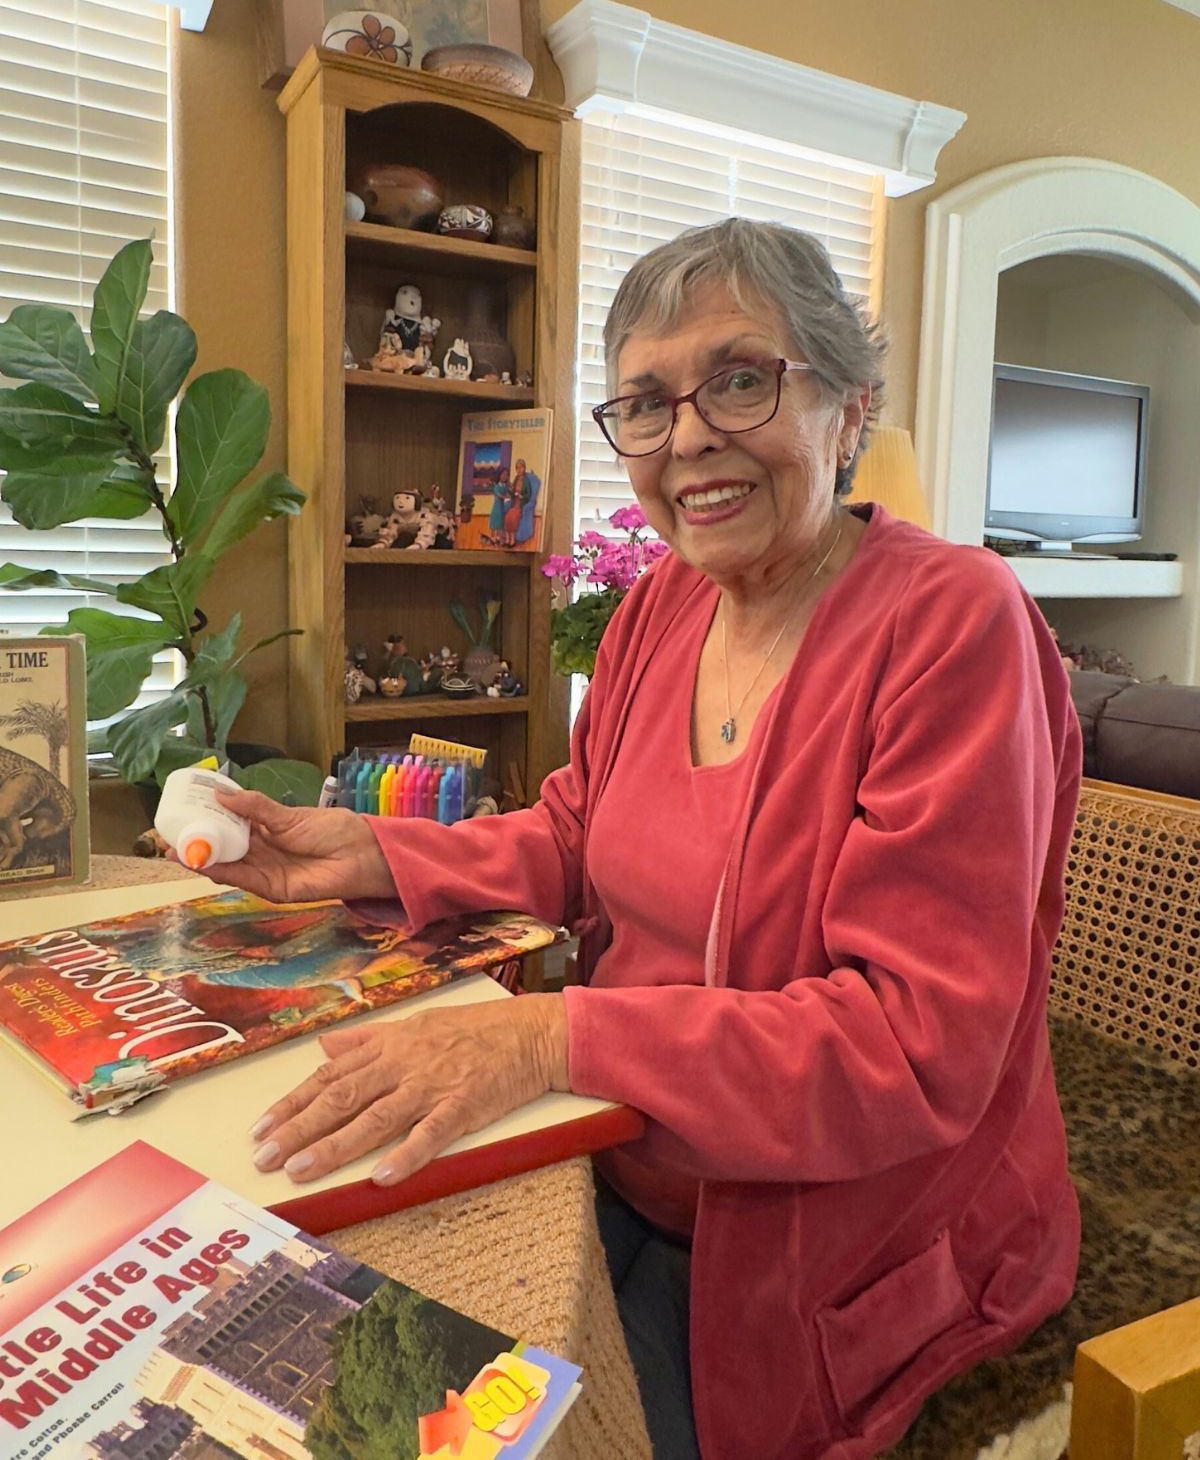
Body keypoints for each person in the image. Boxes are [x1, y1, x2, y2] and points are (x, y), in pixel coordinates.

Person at [203, 218, 1082, 1460]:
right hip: (613, 1152)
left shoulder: (956, 626)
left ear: (849, 405)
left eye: (739, 379)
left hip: (820, 1239)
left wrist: (547, 1037)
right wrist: (372, 855)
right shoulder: (661, 606)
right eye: (646, 405)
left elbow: (910, 1047)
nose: (689, 442)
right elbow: (578, 828)